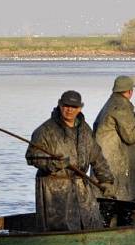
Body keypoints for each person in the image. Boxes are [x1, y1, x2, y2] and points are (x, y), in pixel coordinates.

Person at [26, 90, 115, 232]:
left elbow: (97, 157)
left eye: (73, 107)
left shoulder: (85, 130)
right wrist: (53, 164)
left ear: (80, 108)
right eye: (66, 105)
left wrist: (106, 181)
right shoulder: (45, 130)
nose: (69, 110)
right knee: (60, 229)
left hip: (82, 187)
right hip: (55, 191)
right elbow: (32, 157)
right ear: (59, 105)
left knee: (91, 224)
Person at [93, 75, 135, 204]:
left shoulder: (109, 104)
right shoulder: (121, 107)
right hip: (113, 161)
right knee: (121, 201)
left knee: (108, 201)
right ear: (130, 91)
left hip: (103, 161)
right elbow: (131, 136)